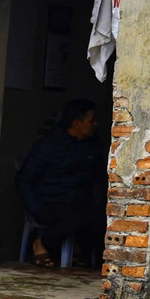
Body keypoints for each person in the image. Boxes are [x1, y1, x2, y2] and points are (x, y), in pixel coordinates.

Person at [16, 98, 107, 268]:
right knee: (74, 218)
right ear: (76, 123)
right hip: (50, 202)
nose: (95, 124)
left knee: (101, 219)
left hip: (80, 201)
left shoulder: (93, 146)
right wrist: (35, 207)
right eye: (91, 120)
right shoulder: (49, 145)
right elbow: (24, 179)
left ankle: (90, 262)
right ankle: (41, 244)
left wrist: (99, 203)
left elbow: (98, 179)